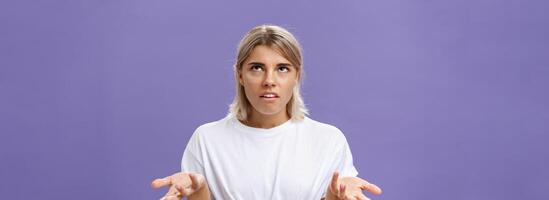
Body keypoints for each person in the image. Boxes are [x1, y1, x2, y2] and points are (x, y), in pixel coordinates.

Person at [151, 24, 382, 200]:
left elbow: (336, 194)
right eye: (257, 68)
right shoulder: (207, 139)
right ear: (239, 75)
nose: (269, 81)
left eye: (282, 68)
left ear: (297, 75)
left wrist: (335, 195)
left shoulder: (328, 140)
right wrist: (199, 190)